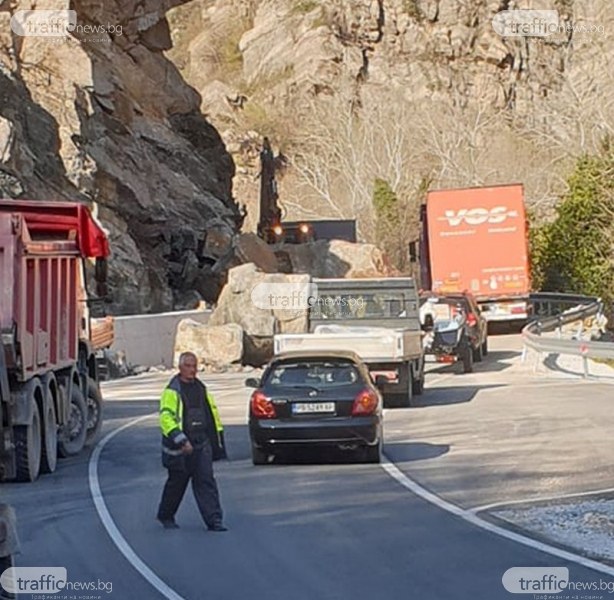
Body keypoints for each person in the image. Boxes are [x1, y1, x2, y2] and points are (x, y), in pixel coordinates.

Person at [156, 352, 228, 532]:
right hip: (180, 448)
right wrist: (181, 440)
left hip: (201, 443)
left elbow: (213, 417)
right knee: (176, 484)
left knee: (206, 482)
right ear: (180, 368)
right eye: (188, 366)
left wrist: (217, 444)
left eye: (194, 366)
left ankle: (214, 521)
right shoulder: (172, 391)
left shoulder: (201, 389)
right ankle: (166, 516)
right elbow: (166, 418)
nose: (192, 370)